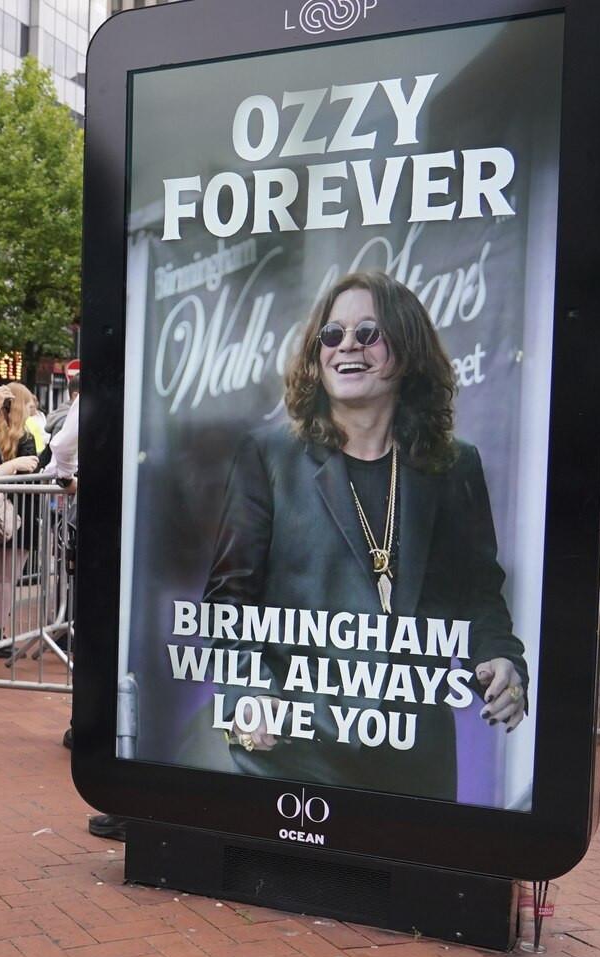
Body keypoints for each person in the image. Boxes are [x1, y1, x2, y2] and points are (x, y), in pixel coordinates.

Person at [204, 270, 527, 802]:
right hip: (292, 750)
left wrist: (501, 659)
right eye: (331, 335)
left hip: (413, 760)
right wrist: (245, 691)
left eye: (368, 333)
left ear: (407, 351)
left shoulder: (454, 465)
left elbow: (479, 596)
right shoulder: (268, 456)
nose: (346, 346)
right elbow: (226, 603)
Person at [0, 382, 41, 657]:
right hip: (20, 515)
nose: (32, 409)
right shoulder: (24, 438)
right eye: (29, 403)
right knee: (7, 578)